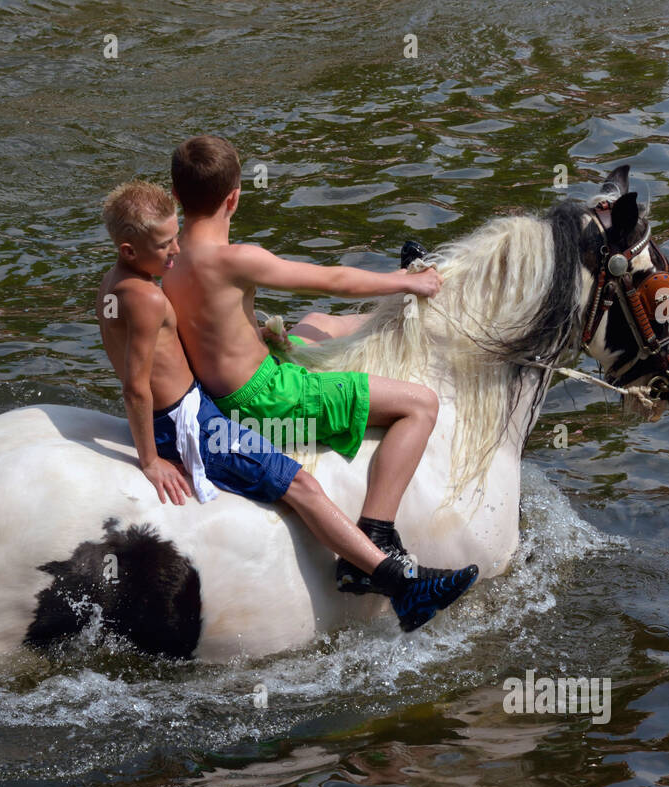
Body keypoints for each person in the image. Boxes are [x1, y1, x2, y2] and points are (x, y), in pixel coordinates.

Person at [95, 180, 477, 631]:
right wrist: (152, 459)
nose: (176, 250)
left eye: (177, 235)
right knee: (304, 489)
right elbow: (137, 388)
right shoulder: (148, 298)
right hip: (191, 423)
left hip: (194, 404)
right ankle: (396, 582)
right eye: (164, 244)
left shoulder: (121, 282)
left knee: (315, 328)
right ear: (129, 248)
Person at [161, 134, 472, 598]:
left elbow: (200, 324)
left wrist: (259, 334)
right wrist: (409, 284)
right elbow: (335, 279)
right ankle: (377, 535)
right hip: (268, 399)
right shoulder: (235, 259)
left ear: (176, 195)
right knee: (421, 405)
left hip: (227, 385)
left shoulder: (167, 255)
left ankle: (400, 316)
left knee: (318, 321)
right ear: (235, 197)